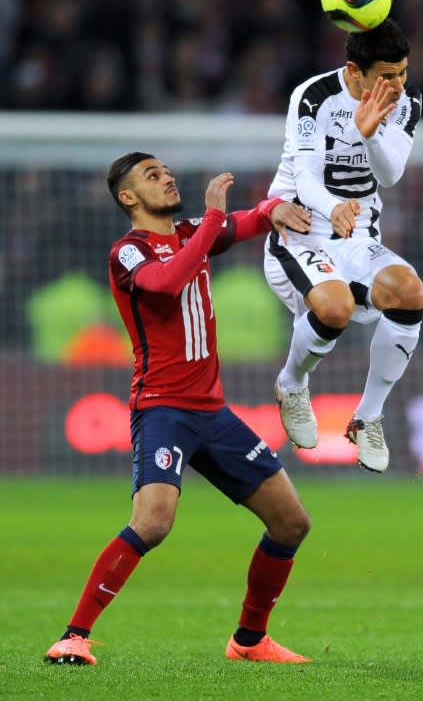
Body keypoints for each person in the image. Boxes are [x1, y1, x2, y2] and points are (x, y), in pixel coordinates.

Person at [45, 152, 314, 665]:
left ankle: (250, 640)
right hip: (162, 408)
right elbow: (165, 287)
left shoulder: (194, 232)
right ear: (128, 198)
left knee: (291, 523)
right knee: (153, 522)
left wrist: (274, 209)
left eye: (166, 171)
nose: (167, 177)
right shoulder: (128, 251)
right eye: (152, 175)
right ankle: (74, 635)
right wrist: (213, 219)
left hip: (214, 413)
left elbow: (251, 219)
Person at [264, 18, 423, 473]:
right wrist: (332, 206)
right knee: (332, 308)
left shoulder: (406, 101)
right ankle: (292, 383)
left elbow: (390, 174)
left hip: (355, 238)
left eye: (404, 72)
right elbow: (307, 176)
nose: (397, 85)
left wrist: (370, 131)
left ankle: (368, 417)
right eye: (386, 76)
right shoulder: (313, 96)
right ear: (355, 71)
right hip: (297, 229)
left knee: (408, 291)